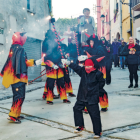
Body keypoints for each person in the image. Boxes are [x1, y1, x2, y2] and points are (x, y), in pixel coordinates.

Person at [0, 32, 42, 123]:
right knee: (19, 96)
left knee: (18, 96)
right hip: (18, 78)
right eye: (24, 37)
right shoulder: (20, 49)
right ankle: (13, 115)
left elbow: (20, 62)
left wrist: (34, 62)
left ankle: (16, 114)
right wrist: (35, 62)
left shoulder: (13, 48)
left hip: (13, 77)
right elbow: (23, 63)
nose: (25, 39)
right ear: (20, 38)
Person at [61, 56, 104, 138]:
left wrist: (96, 92)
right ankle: (80, 126)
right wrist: (69, 63)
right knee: (76, 109)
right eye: (85, 66)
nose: (87, 68)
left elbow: (101, 84)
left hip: (92, 98)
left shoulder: (98, 74)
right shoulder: (83, 71)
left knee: (94, 115)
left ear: (93, 66)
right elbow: (76, 67)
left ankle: (98, 132)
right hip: (82, 96)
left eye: (88, 66)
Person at [78, 33, 109, 112]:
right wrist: (81, 60)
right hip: (89, 71)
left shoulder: (100, 48)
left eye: (92, 42)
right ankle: (87, 107)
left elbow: (101, 57)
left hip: (99, 69)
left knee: (99, 88)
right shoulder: (87, 49)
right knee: (87, 89)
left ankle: (104, 104)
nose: (91, 43)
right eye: (90, 42)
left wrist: (91, 58)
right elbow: (84, 60)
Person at [41, 30, 71, 105]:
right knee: (50, 84)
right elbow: (46, 58)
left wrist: (64, 60)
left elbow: (62, 53)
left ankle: (64, 98)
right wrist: (52, 65)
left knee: (61, 83)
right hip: (51, 68)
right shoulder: (46, 43)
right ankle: (49, 99)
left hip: (59, 66)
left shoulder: (59, 44)